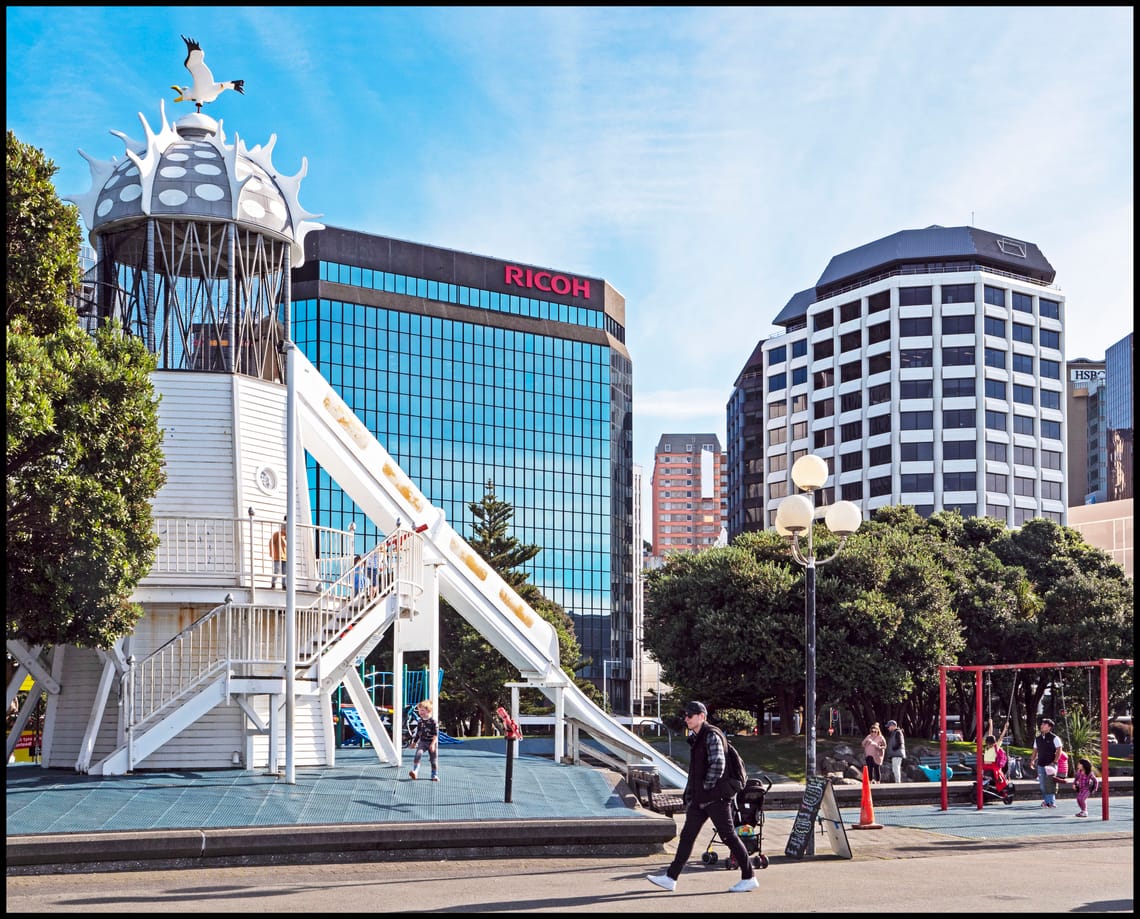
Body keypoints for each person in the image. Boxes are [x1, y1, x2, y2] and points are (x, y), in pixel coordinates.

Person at [647, 701, 758, 894]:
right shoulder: (697, 737)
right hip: (701, 799)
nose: (686, 718)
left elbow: (718, 763)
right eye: (686, 715)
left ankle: (749, 877)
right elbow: (697, 770)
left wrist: (706, 786)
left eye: (691, 715)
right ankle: (670, 878)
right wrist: (693, 793)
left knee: (729, 836)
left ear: (702, 716)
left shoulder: (711, 735)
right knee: (687, 837)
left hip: (716, 798)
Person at [1029, 717, 1062, 808]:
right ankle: (1047, 801)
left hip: (1051, 765)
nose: (1041, 726)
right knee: (1043, 785)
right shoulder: (1038, 739)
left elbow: (1059, 750)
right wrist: (1032, 760)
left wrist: (1054, 762)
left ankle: (1050, 802)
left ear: (1049, 727)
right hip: (1041, 764)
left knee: (1050, 784)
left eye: (1044, 724)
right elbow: (1035, 751)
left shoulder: (1055, 738)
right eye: (1042, 724)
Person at [407, 699, 440, 782]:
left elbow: (435, 735)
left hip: (431, 742)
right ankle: (415, 771)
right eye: (419, 710)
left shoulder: (433, 722)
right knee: (418, 754)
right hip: (423, 741)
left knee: (433, 760)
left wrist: (432, 744)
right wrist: (414, 743)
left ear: (428, 711)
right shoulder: (420, 721)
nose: (420, 712)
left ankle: (434, 775)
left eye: (422, 710)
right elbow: (418, 733)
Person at [268, 523, 287, 589]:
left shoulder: (288, 536)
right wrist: (271, 551)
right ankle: (273, 583)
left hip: (286, 557)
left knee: (285, 571)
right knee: (277, 570)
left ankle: (284, 584)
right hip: (277, 556)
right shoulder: (277, 534)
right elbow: (271, 542)